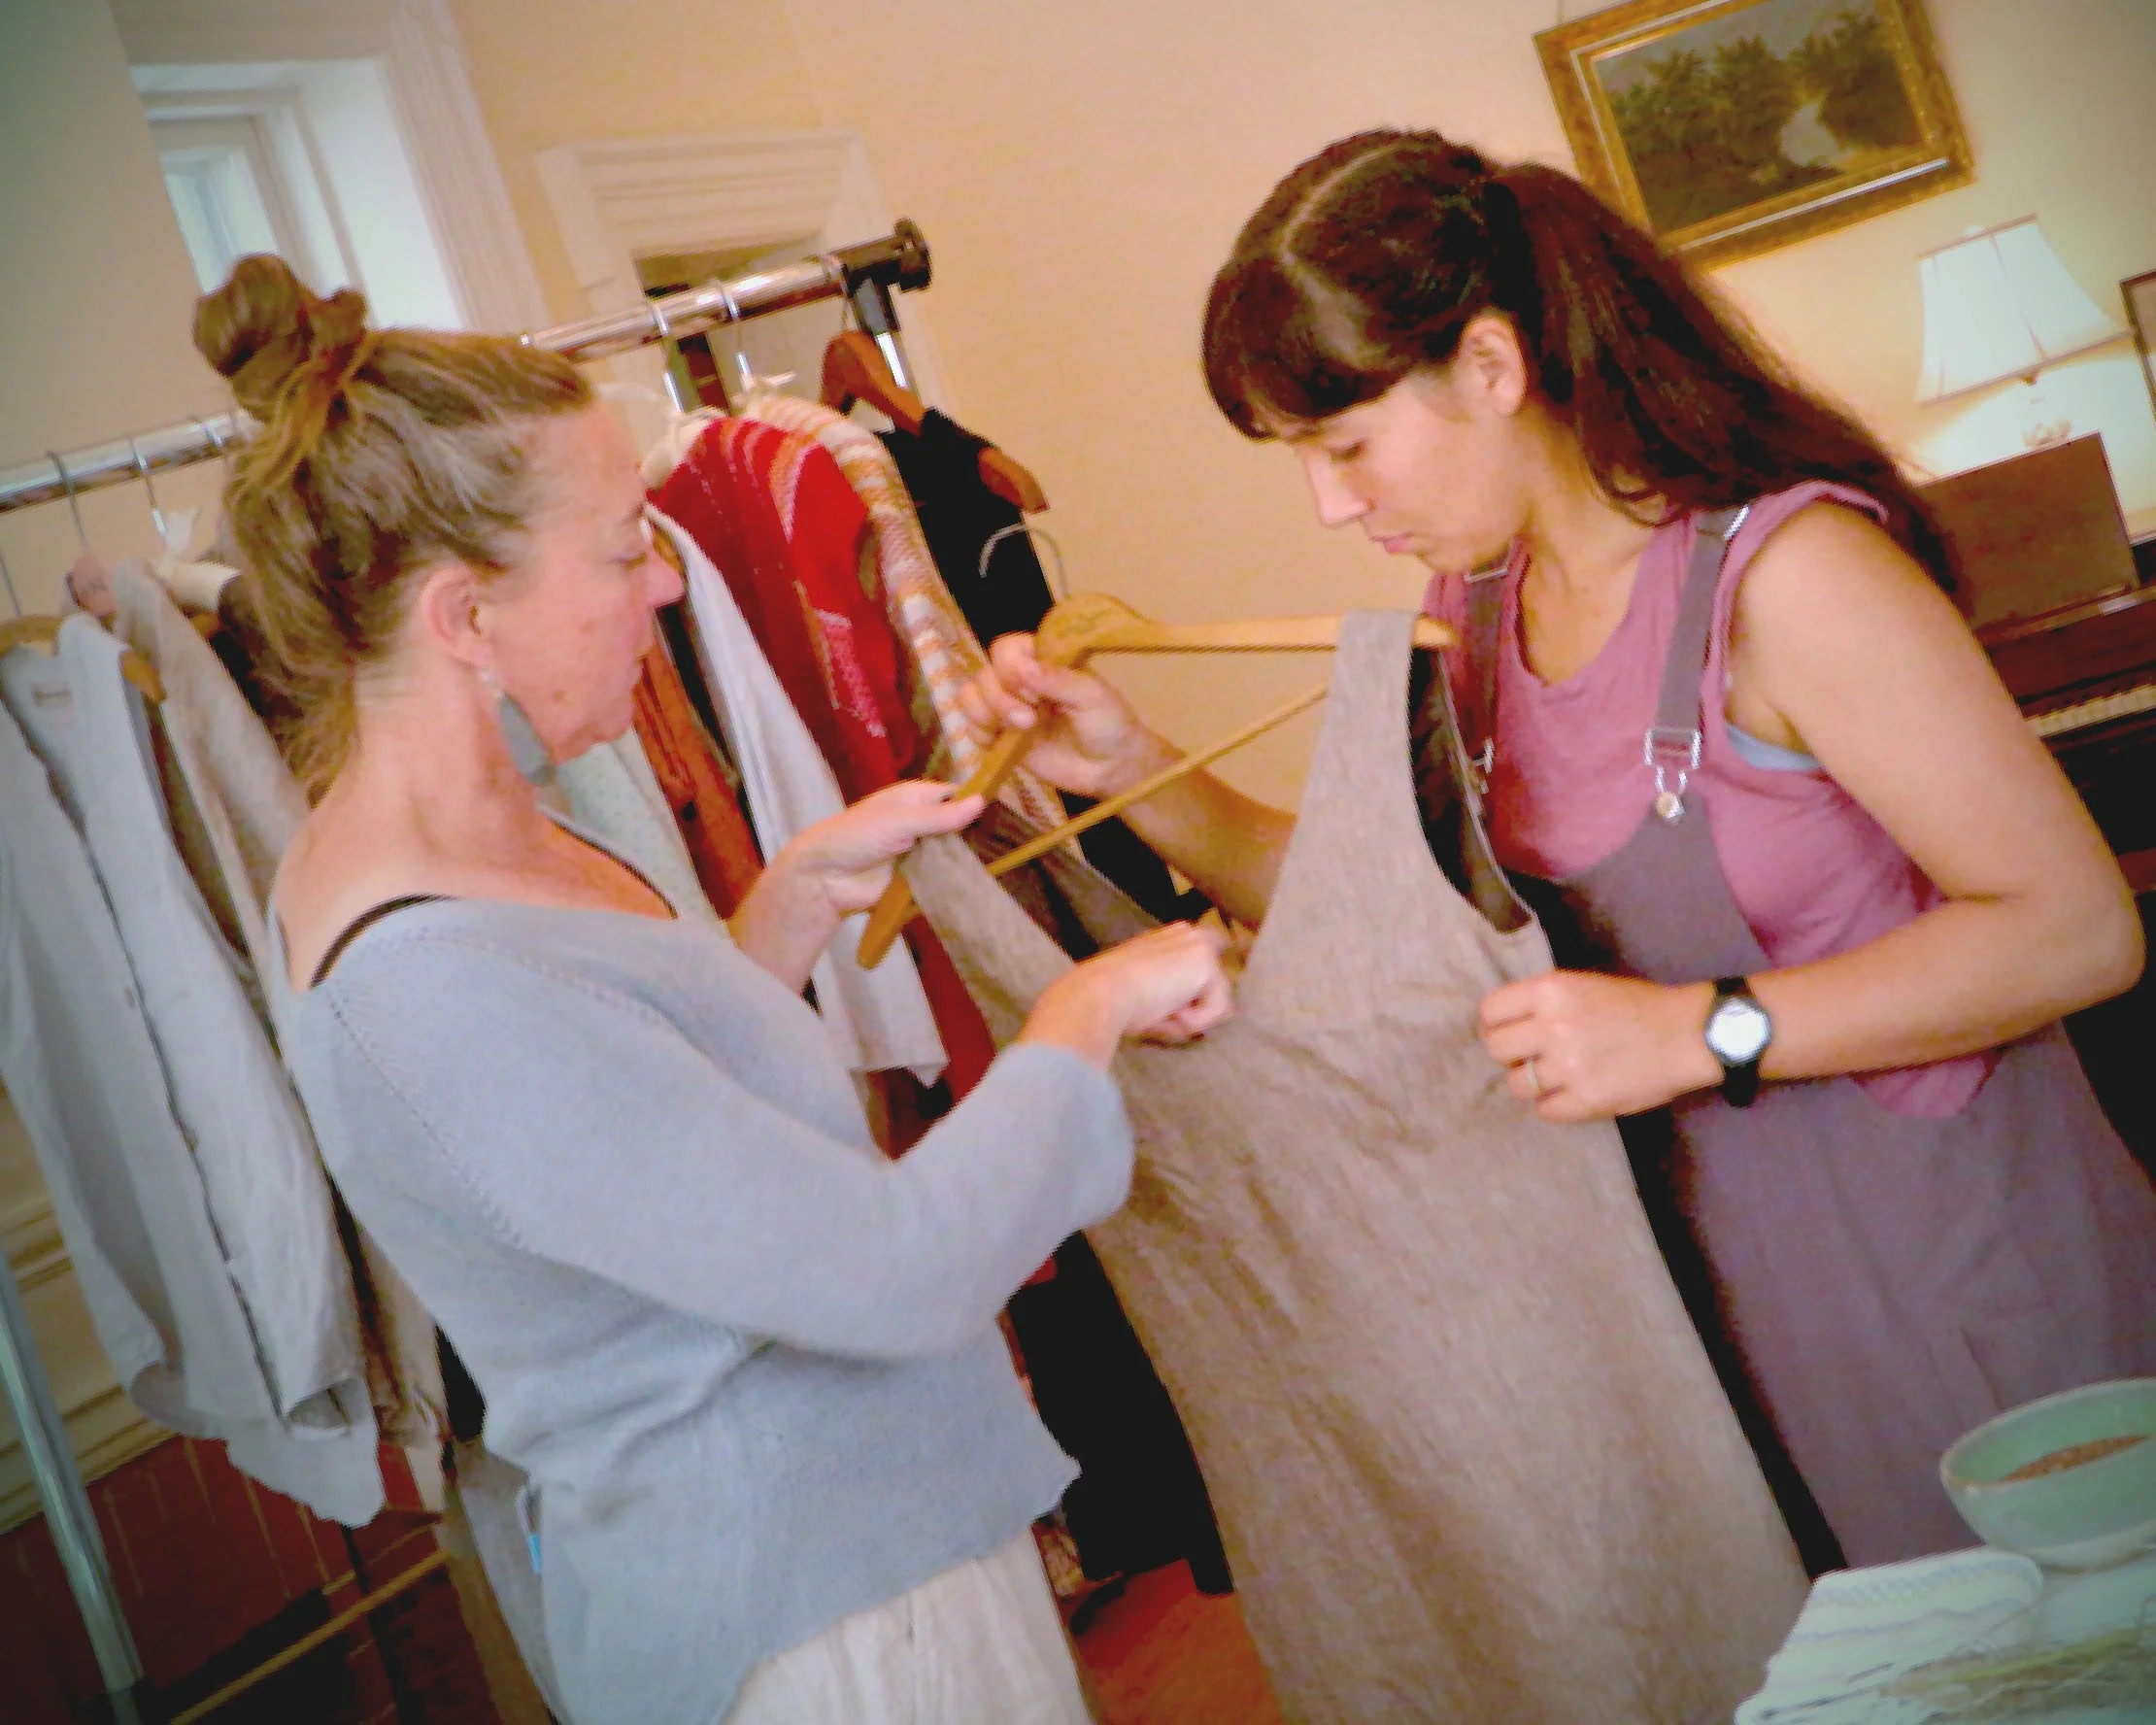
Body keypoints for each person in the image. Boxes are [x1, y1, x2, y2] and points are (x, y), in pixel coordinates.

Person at [960, 129, 2156, 1568]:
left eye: (1344, 447)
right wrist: (1141, 777)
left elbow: (2078, 926)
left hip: (1966, 1294)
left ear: (1488, 366)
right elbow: (1415, 918)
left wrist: (1697, 1031)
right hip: (1723, 1326)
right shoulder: (1482, 620)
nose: (1334, 506)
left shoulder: (1791, 578)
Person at [203, 255, 1233, 1725]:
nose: (671, 582)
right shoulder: (425, 979)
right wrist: (1090, 1006)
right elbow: (895, 1268)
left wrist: (786, 906)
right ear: (460, 616)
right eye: (626, 550)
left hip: (866, 1567)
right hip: (816, 1638)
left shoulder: (490, 835)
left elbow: (631, 1138)